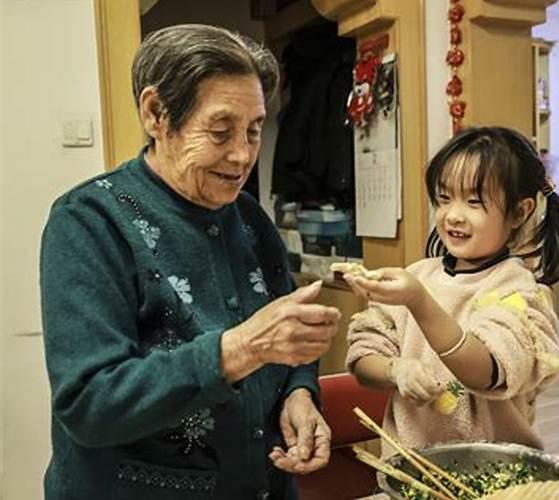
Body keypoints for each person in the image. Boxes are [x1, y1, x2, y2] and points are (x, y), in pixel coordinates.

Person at [39, 24, 340, 500]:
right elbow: (89, 403)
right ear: (157, 113)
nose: (242, 155)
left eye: (255, 130)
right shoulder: (90, 222)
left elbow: (289, 337)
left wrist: (300, 393)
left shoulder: (251, 219)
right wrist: (242, 348)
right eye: (221, 131)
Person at [343, 126, 559, 453]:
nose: (453, 215)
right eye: (444, 198)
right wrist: (396, 370)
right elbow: (363, 356)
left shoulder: (519, 293)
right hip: (413, 467)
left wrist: (418, 302)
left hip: (497, 469)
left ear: (520, 212)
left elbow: (485, 372)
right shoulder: (417, 276)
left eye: (474, 202)